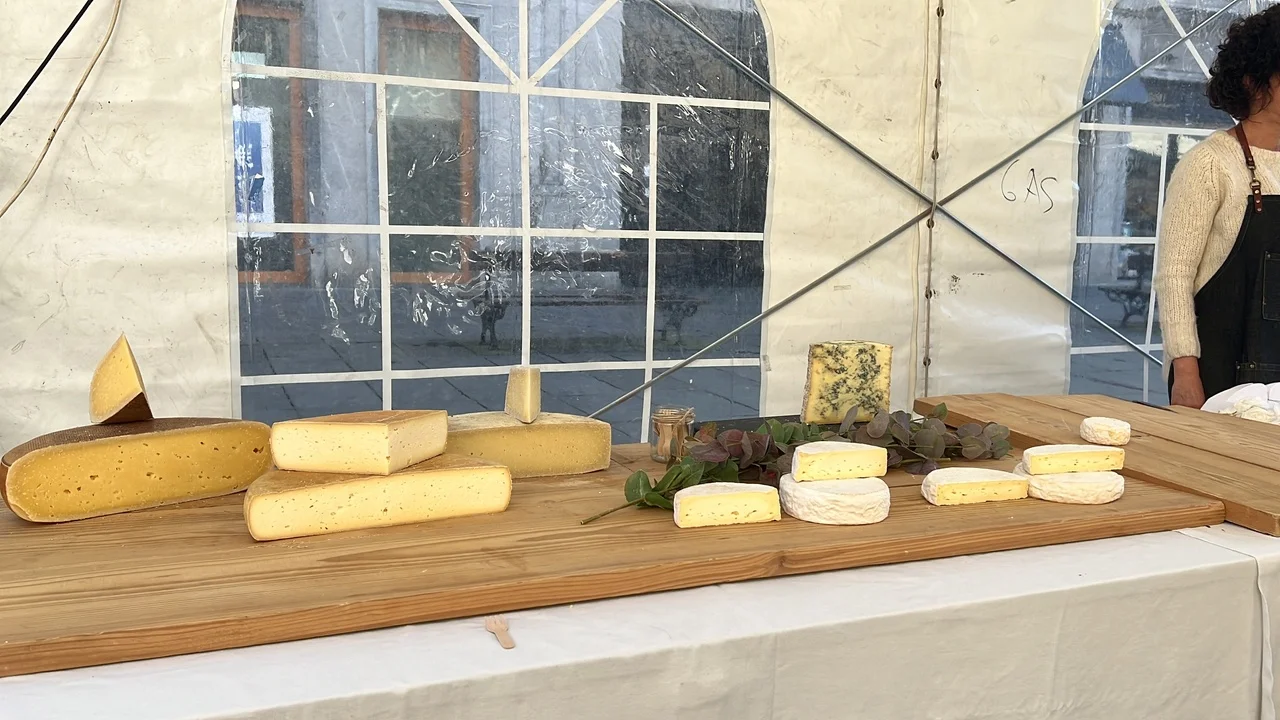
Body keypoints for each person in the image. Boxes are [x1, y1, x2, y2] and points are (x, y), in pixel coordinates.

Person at [1156, 5, 1280, 408]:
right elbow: (1174, 278)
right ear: (1252, 81)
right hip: (1219, 370)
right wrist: (1185, 373)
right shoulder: (1209, 164)